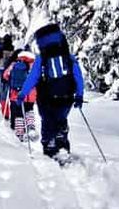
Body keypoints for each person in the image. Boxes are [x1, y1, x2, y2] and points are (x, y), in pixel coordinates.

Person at [17, 22, 84, 162]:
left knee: (47, 121)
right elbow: (78, 76)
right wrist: (79, 95)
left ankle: (49, 145)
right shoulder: (68, 56)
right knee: (61, 118)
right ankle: (62, 140)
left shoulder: (42, 59)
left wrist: (23, 93)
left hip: (46, 97)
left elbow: (33, 77)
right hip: (66, 96)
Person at [4, 49, 37, 142]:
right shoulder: (33, 65)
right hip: (30, 94)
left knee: (19, 114)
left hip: (16, 94)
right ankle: (31, 126)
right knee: (29, 110)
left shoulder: (14, 65)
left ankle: (20, 133)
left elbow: (5, 75)